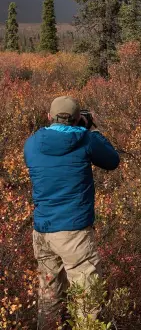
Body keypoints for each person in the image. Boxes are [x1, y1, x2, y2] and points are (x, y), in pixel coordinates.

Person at [24, 96, 120, 329]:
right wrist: (90, 130)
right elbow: (112, 160)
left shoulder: (32, 143)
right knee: (88, 297)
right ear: (78, 119)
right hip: (73, 233)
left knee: (49, 295)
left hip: (43, 231)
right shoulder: (85, 139)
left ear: (49, 116)